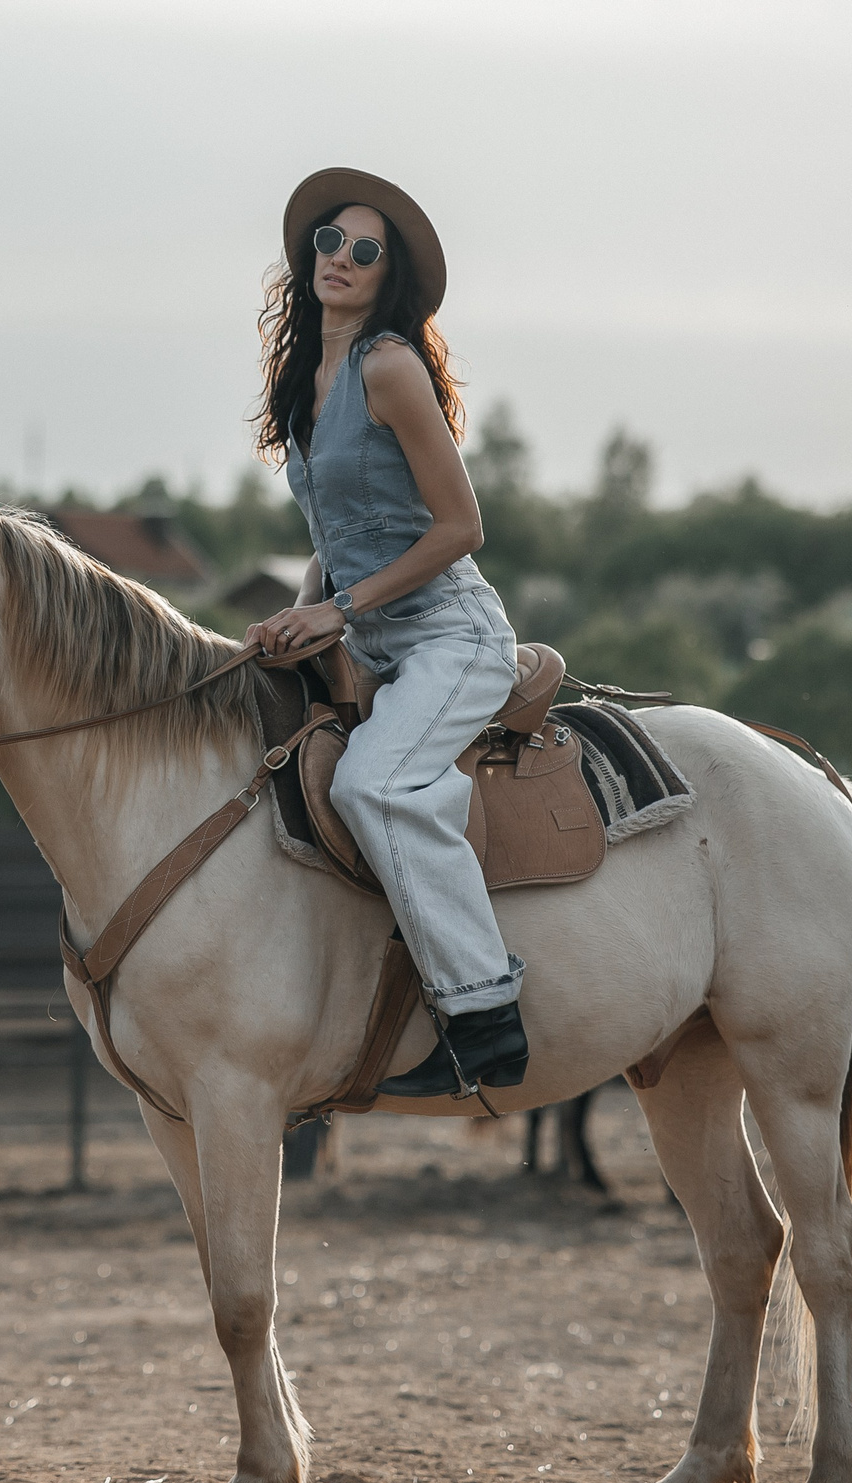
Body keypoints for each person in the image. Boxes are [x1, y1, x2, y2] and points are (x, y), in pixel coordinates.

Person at [245, 168, 526, 1097]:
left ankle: (482, 1011)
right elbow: (338, 538)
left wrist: (341, 609)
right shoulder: (304, 386)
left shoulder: (390, 366)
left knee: (375, 781)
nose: (342, 259)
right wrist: (301, 612)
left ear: (385, 274)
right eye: (331, 239)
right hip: (366, 643)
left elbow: (460, 529)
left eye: (365, 251)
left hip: (449, 633)